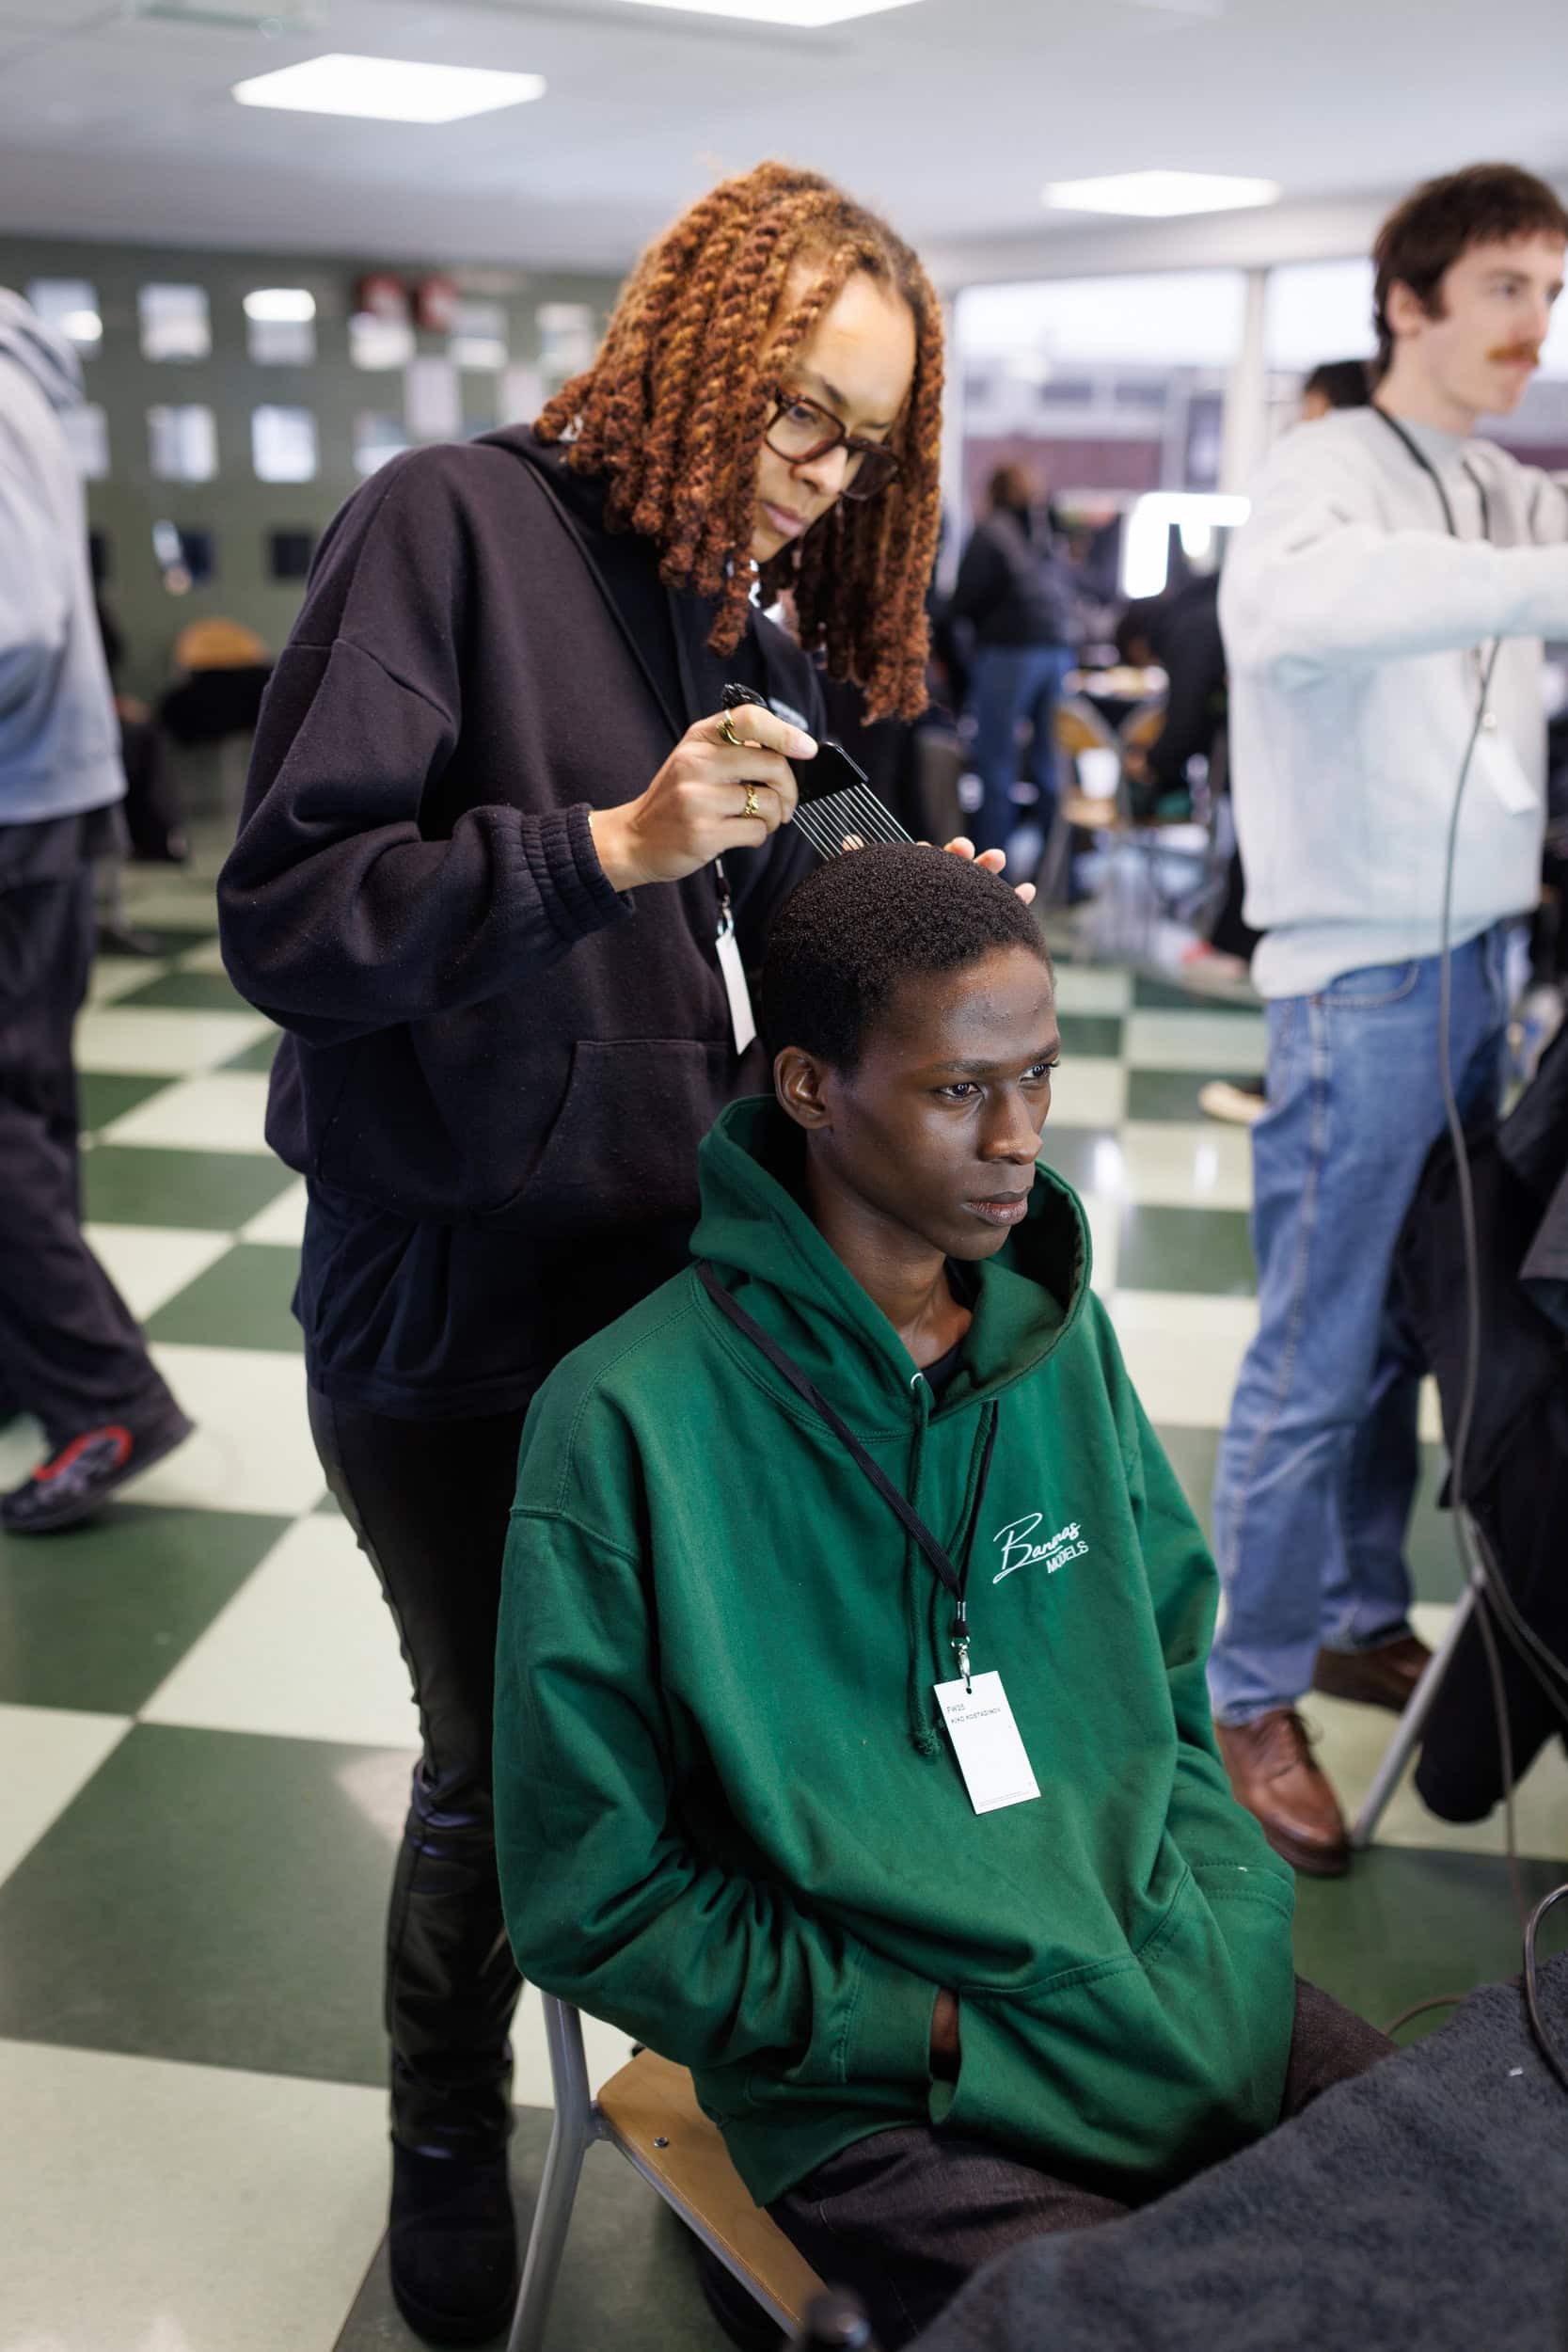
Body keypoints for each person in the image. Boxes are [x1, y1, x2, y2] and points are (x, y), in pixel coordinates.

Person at [217, 164, 1010, 2347]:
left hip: (682, 1296)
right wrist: (604, 845)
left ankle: (775, 2099)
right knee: (503, 1758)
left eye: (853, 441)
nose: (807, 472)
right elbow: (294, 915)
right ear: (678, 344)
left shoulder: (737, 606)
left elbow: (759, 931)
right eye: (784, 410)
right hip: (460, 1308)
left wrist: (904, 905)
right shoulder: (443, 526)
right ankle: (446, 2131)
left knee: (718, 1728)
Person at [494, 844, 1393, 2351]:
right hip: (880, 2075)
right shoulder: (625, 1420)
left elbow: (1169, 1673)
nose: (1017, 1139)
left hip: (1163, 1968)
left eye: (1035, 1078)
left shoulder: (1057, 1339)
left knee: (1472, 2207)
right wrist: (915, 2028)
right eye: (957, 1089)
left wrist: (1215, 1912)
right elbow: (591, 1898)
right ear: (804, 1086)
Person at [1208, 163, 1568, 1875]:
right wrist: (1531, 584)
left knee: (1426, 1325)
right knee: (1312, 1350)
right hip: (1357, 978)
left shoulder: (1500, 487)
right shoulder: (1320, 475)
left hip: (1483, 959)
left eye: (1549, 293)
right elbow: (1302, 612)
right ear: (1406, 304)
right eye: (1501, 286)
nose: (1533, 325)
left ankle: (1357, 1610)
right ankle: (1247, 1688)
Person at [0, 288, 192, 1534]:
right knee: (27, 1110)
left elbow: (15, 624)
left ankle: (103, 1397)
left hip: (14, 802)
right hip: (41, 793)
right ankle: (41, 1372)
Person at [1193, 357, 1374, 1121]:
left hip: (1334, 785)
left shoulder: (1341, 512)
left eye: (1306, 408)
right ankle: (1295, 1078)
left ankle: (1296, 1086)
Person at [951, 463, 1077, 856]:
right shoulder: (1046, 533)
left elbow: (963, 601)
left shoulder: (990, 533)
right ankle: (1062, 873)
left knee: (996, 764)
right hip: (1057, 652)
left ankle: (991, 878)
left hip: (1010, 654)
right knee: (1049, 765)